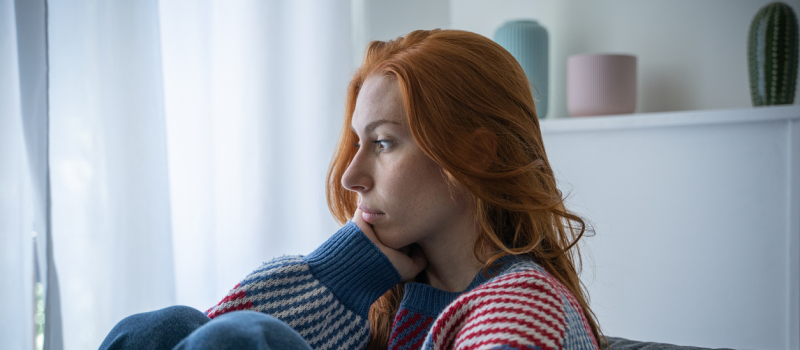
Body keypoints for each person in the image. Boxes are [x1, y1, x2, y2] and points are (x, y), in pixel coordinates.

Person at [99, 29, 602, 350]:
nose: (349, 175)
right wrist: (342, 275)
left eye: (383, 143)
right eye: (357, 142)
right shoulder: (394, 300)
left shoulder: (523, 304)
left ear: (475, 155)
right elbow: (200, 339)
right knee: (160, 330)